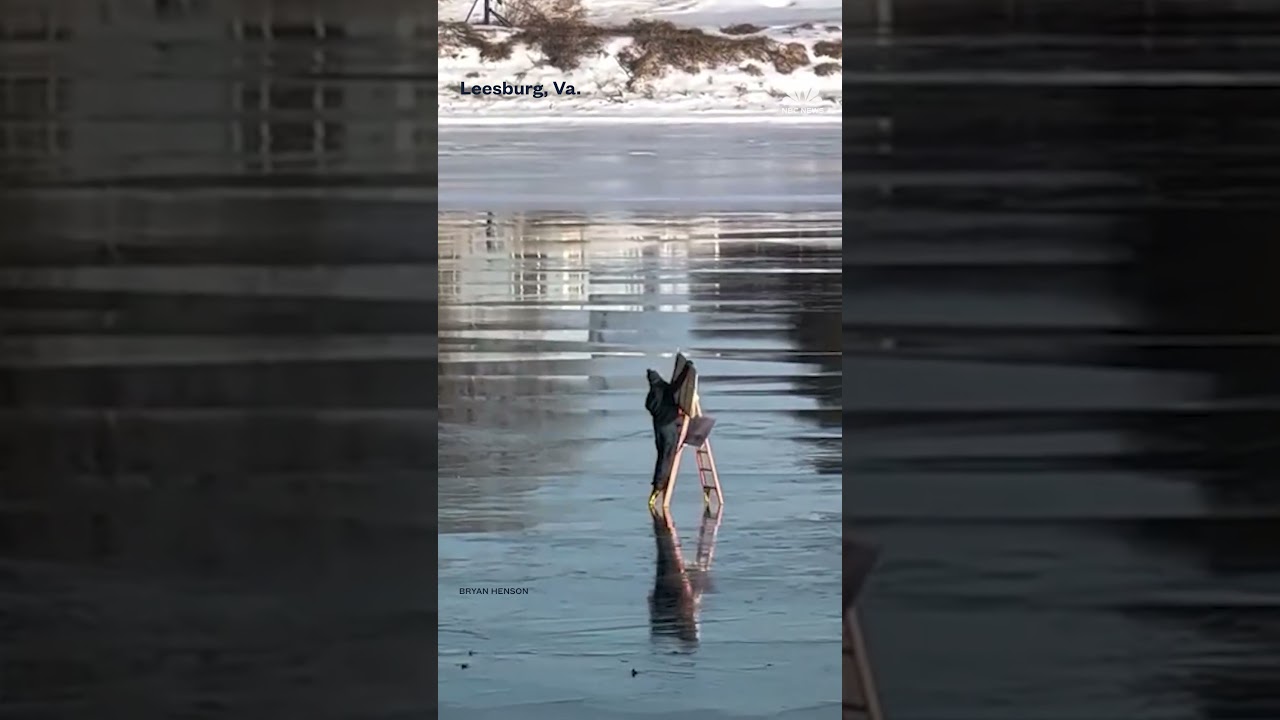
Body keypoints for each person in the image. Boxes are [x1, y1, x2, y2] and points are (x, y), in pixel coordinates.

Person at [645, 361, 693, 509]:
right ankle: (661, 485)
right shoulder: (665, 389)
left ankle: (658, 484)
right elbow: (677, 386)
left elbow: (648, 406)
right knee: (668, 456)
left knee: (661, 456)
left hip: (658, 429)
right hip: (668, 428)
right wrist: (687, 370)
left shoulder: (652, 394)